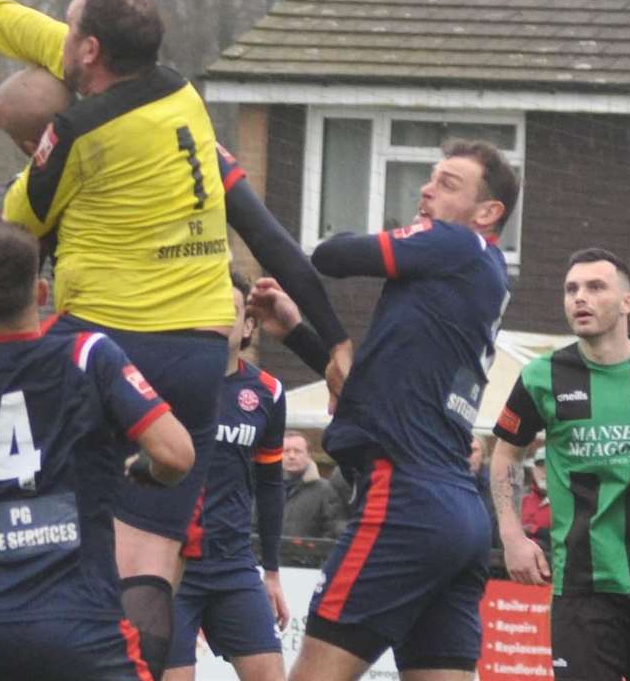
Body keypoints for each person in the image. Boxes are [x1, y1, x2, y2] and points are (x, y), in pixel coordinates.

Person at [0, 0, 350, 676]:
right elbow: (44, 35)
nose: (63, 32)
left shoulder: (74, 135)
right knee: (147, 566)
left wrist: (32, 158)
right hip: (202, 349)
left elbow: (11, 245)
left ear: (89, 53)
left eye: (72, 26)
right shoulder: (181, 93)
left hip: (110, 341)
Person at [252, 139, 518, 681]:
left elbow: (332, 255)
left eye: (448, 183)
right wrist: (302, 334)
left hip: (403, 502)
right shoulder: (466, 284)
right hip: (456, 517)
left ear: (488, 213)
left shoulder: (458, 245)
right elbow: (368, 386)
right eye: (429, 176)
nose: (426, 188)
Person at [0, 218, 194, 681]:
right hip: (82, 627)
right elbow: (177, 455)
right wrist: (149, 471)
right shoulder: (89, 355)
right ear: (41, 292)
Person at [490, 247, 630, 681]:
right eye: (571, 289)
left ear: (628, 302)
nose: (579, 298)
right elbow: (506, 450)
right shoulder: (542, 376)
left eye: (595, 287)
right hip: (582, 587)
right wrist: (511, 536)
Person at [164, 271, 288, 681]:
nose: (219, 321)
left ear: (249, 325)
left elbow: (270, 484)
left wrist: (271, 571)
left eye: (231, 312)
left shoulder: (268, 392)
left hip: (234, 564)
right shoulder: (168, 382)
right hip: (175, 564)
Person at [279, 432, 346, 540]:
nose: (291, 456)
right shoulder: (266, 490)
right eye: (286, 451)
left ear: (309, 455)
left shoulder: (325, 491)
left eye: (297, 451)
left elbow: (332, 530)